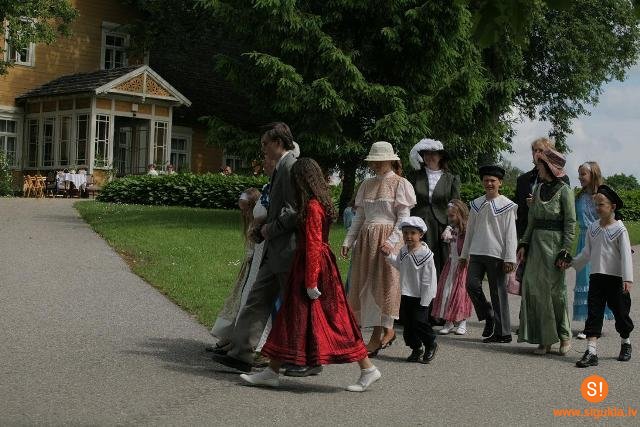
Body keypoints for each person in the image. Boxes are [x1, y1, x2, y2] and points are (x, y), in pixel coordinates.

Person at [240, 158, 381, 392]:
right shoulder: (317, 203)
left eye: (295, 179)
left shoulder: (313, 206)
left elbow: (314, 243)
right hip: (311, 265)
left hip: (313, 267)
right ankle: (271, 371)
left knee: (334, 320)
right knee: (291, 317)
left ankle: (367, 368)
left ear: (302, 180)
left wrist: (311, 281)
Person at [212, 122, 298, 373]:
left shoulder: (290, 166)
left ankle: (304, 358)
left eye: (265, 143)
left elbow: (293, 210)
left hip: (286, 248)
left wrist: (269, 228)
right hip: (273, 247)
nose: (263, 148)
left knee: (294, 305)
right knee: (256, 298)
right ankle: (241, 352)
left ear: (278, 143)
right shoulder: (281, 167)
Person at [341, 141, 417, 356]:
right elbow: (360, 217)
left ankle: (378, 335)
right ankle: (384, 331)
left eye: (379, 161)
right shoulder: (366, 184)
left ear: (390, 161)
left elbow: (403, 218)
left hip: (387, 239)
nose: (375, 165)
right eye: (373, 161)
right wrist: (348, 240)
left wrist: (391, 241)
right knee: (365, 284)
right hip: (367, 239)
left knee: (384, 285)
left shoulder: (400, 183)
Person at [566, 185, 633, 367]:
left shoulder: (620, 229)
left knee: (621, 313)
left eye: (601, 204)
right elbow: (586, 253)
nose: (597, 208)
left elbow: (626, 255)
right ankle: (591, 351)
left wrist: (627, 278)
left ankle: (625, 343)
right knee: (594, 313)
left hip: (616, 279)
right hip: (596, 278)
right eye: (596, 204)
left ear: (612, 207)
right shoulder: (593, 228)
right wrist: (572, 263)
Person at [517, 148, 575, 355]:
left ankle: (564, 336)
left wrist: (565, 251)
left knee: (555, 292)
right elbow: (531, 220)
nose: (537, 168)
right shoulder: (538, 188)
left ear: (549, 167)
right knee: (534, 289)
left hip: (555, 245)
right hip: (536, 245)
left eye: (540, 165)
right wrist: (524, 243)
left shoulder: (565, 190)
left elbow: (570, 223)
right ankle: (545, 338)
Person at [459, 166, 517, 343]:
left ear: (500, 183)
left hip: (496, 253)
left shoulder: (507, 205)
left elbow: (510, 233)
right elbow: (470, 230)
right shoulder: (476, 204)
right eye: (486, 180)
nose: (489, 183)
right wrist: (464, 255)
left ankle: (503, 333)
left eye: (493, 180)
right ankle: (488, 314)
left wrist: (510, 258)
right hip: (477, 252)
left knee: (498, 292)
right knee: (471, 285)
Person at [209, 188, 262, 351]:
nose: (244, 214)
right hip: (248, 267)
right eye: (242, 210)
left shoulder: (259, 223)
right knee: (237, 300)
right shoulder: (250, 222)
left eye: (247, 210)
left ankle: (234, 339)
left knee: (245, 301)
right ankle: (228, 336)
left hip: (255, 267)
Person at [382, 217, 438, 363]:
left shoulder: (426, 255)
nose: (408, 236)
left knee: (419, 322)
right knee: (408, 325)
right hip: (406, 294)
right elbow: (399, 265)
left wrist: (425, 301)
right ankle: (416, 348)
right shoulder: (404, 251)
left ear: (421, 235)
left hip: (421, 296)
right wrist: (388, 256)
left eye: (413, 233)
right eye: (405, 233)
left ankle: (431, 343)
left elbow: (429, 280)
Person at [573, 162, 614, 338]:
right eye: (579, 174)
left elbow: (611, 219)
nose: (580, 177)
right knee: (585, 281)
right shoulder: (579, 196)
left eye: (583, 174)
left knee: (597, 282)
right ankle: (590, 323)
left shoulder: (603, 196)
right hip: (583, 240)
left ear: (593, 175)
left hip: (600, 240)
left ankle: (592, 325)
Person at [408, 138, 461, 276]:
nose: (429, 157)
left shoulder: (451, 179)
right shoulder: (415, 176)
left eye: (433, 154)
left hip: (441, 227)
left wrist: (450, 227)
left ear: (440, 156)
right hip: (418, 225)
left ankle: (437, 289)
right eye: (426, 154)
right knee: (416, 260)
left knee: (439, 262)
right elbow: (407, 201)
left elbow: (455, 205)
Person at [515, 137, 570, 239]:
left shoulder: (561, 179)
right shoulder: (522, 180)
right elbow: (518, 210)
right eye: (534, 150)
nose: (537, 153)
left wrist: (538, 204)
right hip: (524, 234)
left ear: (549, 153)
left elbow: (566, 211)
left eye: (541, 150)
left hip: (549, 236)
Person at [432, 199, 473, 335]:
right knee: (447, 292)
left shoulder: (467, 230)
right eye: (448, 216)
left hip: (462, 264)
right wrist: (448, 228)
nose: (449, 218)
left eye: (452, 216)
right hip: (451, 264)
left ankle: (462, 321)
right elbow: (445, 238)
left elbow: (469, 247)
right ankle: (449, 322)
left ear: (460, 214)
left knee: (461, 293)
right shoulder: (452, 229)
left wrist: (466, 259)